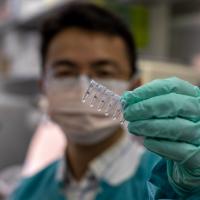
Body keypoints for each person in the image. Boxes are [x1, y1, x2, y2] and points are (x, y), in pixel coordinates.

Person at [9, 2, 200, 200]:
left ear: (133, 85)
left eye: (103, 71)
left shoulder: (173, 183)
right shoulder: (26, 192)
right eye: (65, 71)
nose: (83, 86)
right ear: (44, 87)